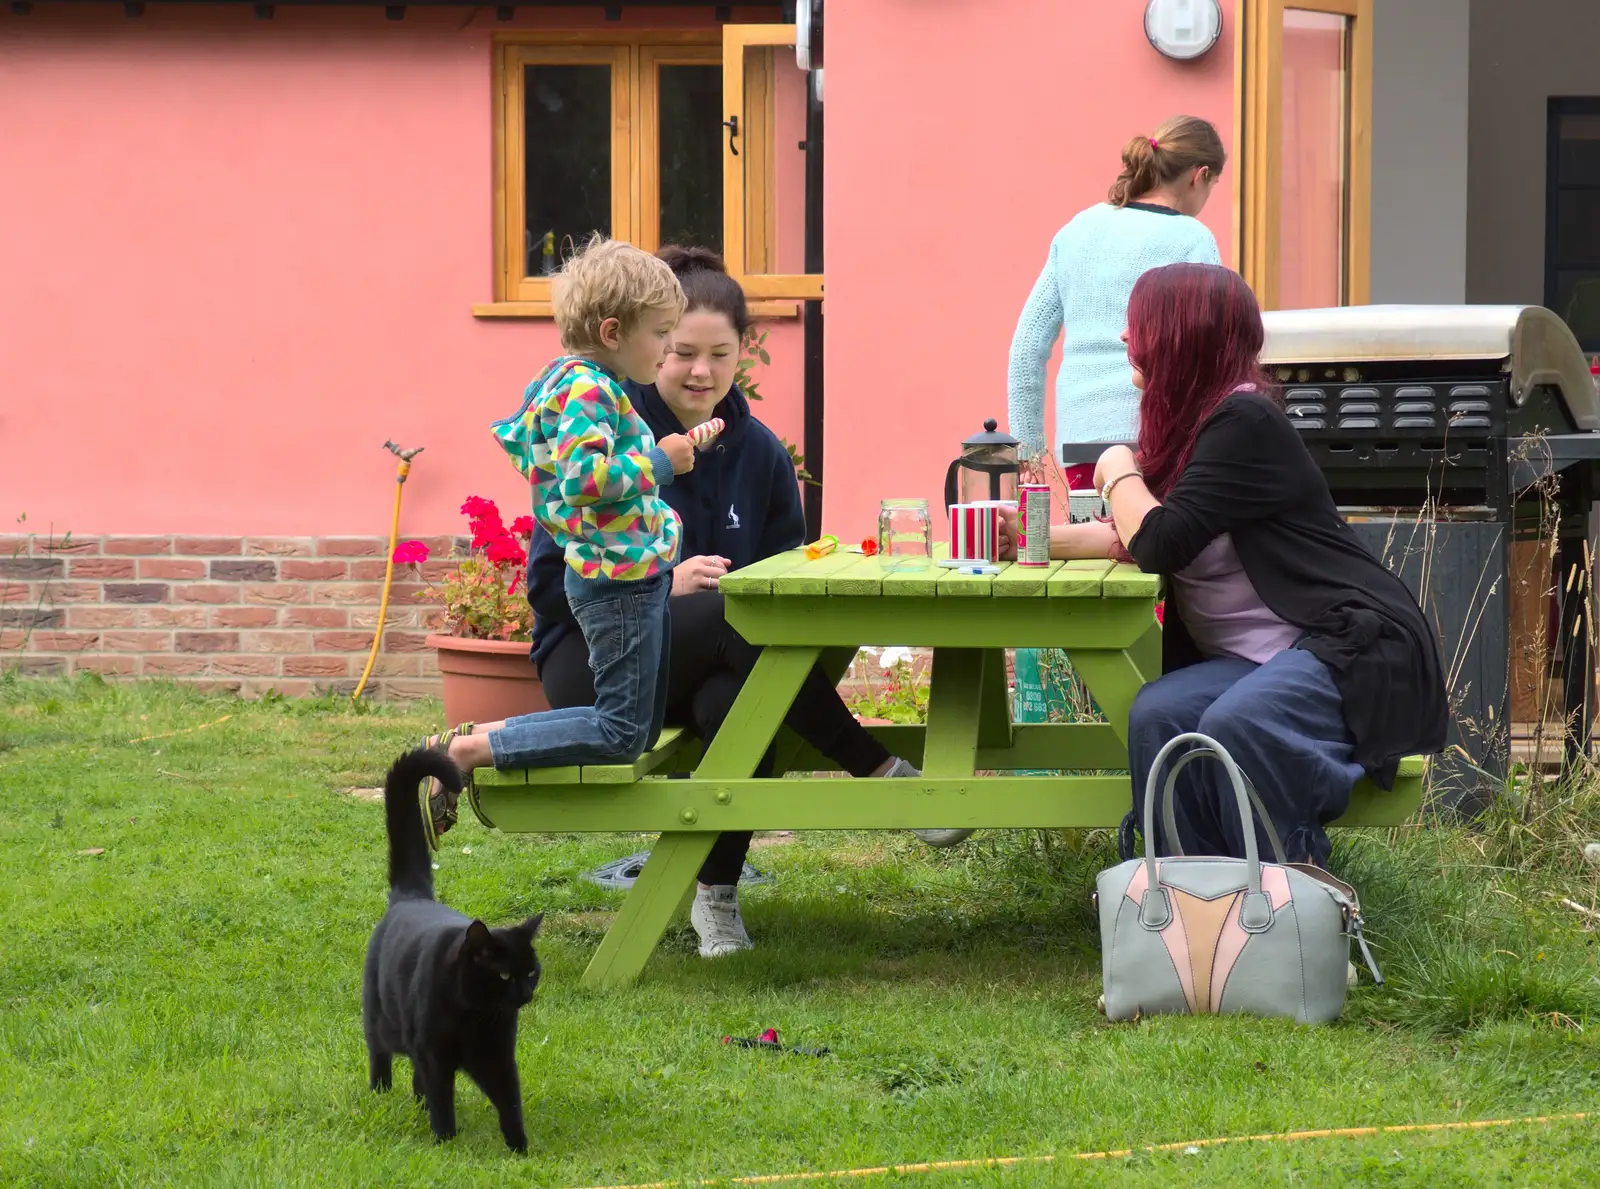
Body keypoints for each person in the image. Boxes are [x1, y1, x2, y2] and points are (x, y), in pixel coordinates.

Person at [526, 246, 923, 958]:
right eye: (680, 351)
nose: (700, 371)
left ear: (744, 352)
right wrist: (657, 582)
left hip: (709, 666)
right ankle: (876, 768)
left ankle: (716, 900)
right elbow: (546, 591)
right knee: (737, 623)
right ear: (650, 343)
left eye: (720, 353)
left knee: (737, 698)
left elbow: (787, 587)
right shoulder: (602, 431)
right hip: (592, 662)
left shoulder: (763, 454)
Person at [1000, 263, 1448, 867]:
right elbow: (1134, 537)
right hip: (1252, 660)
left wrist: (1116, 468)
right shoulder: (1193, 429)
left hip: (1341, 645)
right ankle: (1191, 900)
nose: (1128, 339)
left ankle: (1288, 898)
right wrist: (1024, 540)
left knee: (1240, 719)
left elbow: (1161, 541)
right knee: (1160, 714)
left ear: (1183, 335)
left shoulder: (1245, 421)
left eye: (1141, 325)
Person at [419, 237, 694, 848]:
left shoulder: (579, 383)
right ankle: (461, 752)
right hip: (614, 583)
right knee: (623, 733)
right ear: (615, 330)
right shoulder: (586, 391)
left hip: (629, 576)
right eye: (662, 333)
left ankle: (467, 746)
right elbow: (583, 481)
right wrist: (660, 461)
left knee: (635, 731)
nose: (670, 349)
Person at [1007, 115, 1226, 490]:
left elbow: (1028, 347)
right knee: (1148, 544)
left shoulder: (1077, 231)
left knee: (1089, 542)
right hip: (1160, 441)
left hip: (1082, 442)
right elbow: (1215, 347)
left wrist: (1028, 451)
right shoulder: (1193, 239)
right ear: (1199, 175)